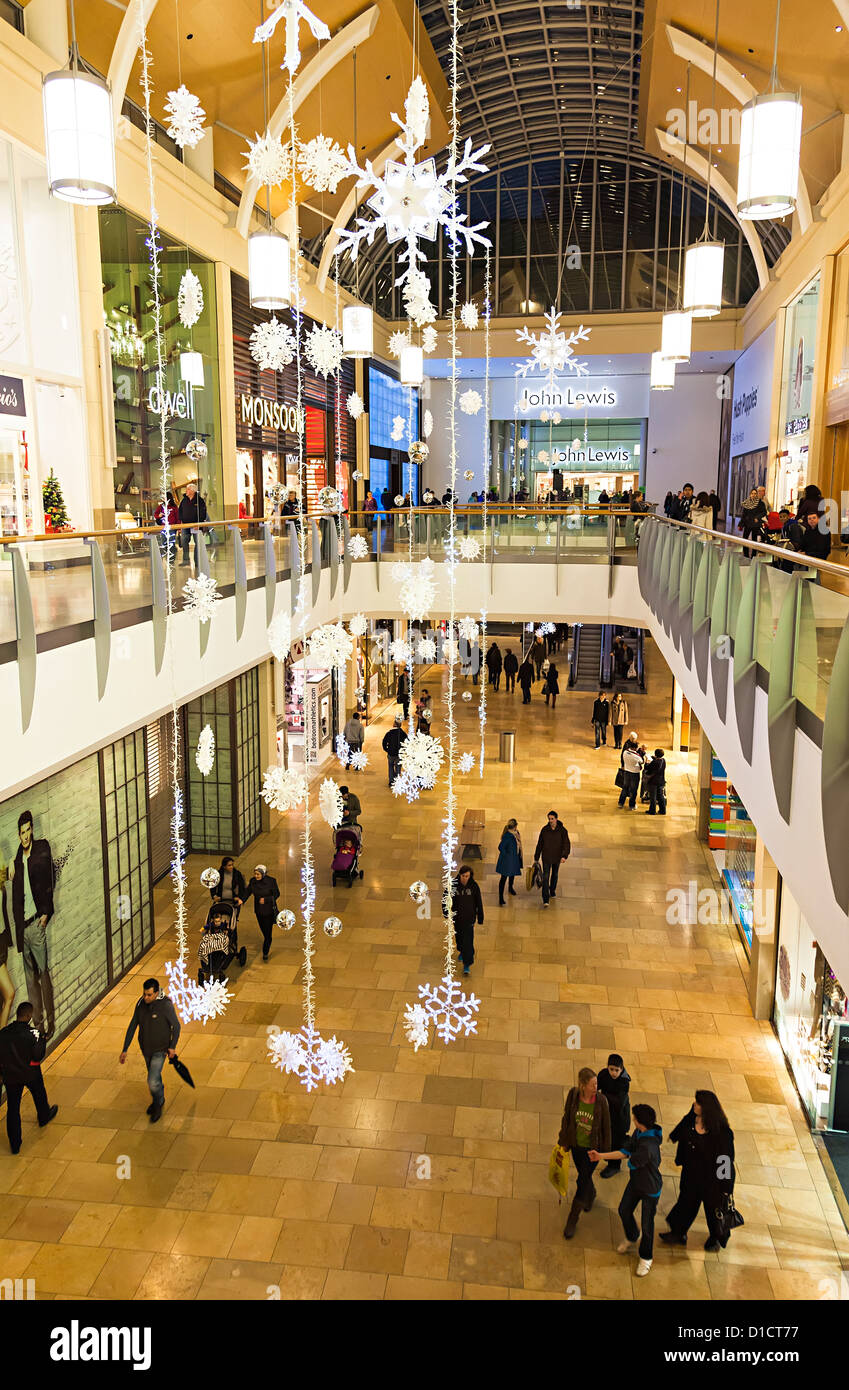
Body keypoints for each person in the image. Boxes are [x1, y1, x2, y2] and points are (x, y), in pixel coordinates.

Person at [591, 1103, 663, 1277]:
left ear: (640, 1122)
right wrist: (601, 1156)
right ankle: (632, 1236)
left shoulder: (648, 1146)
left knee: (647, 1225)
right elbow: (625, 1152)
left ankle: (646, 1258)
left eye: (635, 1119)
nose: (633, 1120)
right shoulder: (640, 1133)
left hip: (650, 1189)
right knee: (624, 1210)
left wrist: (629, 1156)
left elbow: (631, 1160)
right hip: (636, 1182)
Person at [661, 1090, 736, 1251]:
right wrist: (674, 1136)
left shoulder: (722, 1134)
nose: (694, 1104)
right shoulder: (692, 1119)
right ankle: (678, 1233)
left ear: (707, 1108)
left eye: (698, 1103)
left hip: (712, 1183)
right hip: (691, 1176)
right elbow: (683, 1126)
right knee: (686, 1205)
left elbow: (726, 1162)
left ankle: (715, 1238)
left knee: (713, 1212)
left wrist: (726, 1189)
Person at [11, 809, 55, 1040]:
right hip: (24, 929)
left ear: (32, 831)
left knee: (43, 975)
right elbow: (15, 901)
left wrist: (46, 912)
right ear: (18, 835)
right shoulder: (16, 861)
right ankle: (38, 1027)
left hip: (37, 923)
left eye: (28, 830)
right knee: (30, 982)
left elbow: (51, 878)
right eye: (22, 832)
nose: (26, 836)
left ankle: (51, 1022)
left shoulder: (42, 849)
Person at [558, 1067, 611, 1239]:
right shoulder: (573, 1095)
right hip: (576, 1147)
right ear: (583, 1085)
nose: (596, 1087)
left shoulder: (601, 1101)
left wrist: (604, 1153)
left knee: (582, 1181)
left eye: (596, 1083)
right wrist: (563, 1142)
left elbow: (606, 1127)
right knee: (584, 1175)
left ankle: (572, 1220)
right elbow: (567, 1119)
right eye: (593, 1084)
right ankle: (592, 1193)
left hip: (592, 1150)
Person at [119, 977, 181, 1123]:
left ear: (156, 993)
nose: (146, 997)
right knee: (154, 1077)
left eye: (149, 995)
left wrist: (172, 1047)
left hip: (160, 1049)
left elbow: (176, 1026)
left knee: (152, 1080)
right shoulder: (140, 1004)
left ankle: (158, 1105)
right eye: (144, 994)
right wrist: (125, 1048)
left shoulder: (165, 1005)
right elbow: (133, 1025)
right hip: (146, 1048)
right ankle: (158, 1099)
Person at [0, 1001, 58, 1153]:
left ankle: (15, 1145)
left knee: (13, 1108)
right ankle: (44, 1116)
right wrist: (43, 1042)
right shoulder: (34, 1033)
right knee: (39, 1093)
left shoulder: (3, 1033)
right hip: (30, 1073)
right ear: (28, 1016)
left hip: (11, 1076)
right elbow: (38, 1056)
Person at [597, 1054, 631, 1178]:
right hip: (607, 1114)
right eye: (611, 1069)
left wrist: (602, 1098)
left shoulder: (624, 1082)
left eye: (617, 1070)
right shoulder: (603, 1074)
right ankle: (607, 1155)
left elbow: (619, 1103)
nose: (614, 1073)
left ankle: (614, 1165)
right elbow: (596, 1085)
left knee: (616, 1141)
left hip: (619, 1119)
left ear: (621, 1069)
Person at [446, 865, 483, 976]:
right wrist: (446, 913)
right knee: (459, 938)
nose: (465, 878)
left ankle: (467, 963)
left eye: (467, 876)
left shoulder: (474, 887)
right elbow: (446, 899)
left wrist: (480, 917)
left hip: (469, 919)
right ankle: (461, 950)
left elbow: (478, 902)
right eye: (463, 876)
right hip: (457, 919)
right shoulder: (453, 885)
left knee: (468, 941)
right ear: (460, 875)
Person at [533, 810, 571, 908]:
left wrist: (564, 856)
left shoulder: (562, 831)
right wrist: (536, 856)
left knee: (554, 875)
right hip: (546, 858)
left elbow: (566, 844)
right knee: (545, 877)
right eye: (549, 819)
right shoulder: (545, 830)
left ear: (556, 819)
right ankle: (545, 899)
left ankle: (552, 891)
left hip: (557, 858)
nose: (550, 821)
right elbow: (540, 843)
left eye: (552, 819)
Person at [245, 864, 280, 962]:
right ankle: (267, 941)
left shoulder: (271, 881)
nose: (256, 876)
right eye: (255, 874)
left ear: (263, 874)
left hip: (269, 911)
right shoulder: (253, 881)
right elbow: (247, 892)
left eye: (258, 874)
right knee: (264, 930)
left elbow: (277, 894)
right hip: (259, 911)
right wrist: (241, 900)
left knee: (268, 934)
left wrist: (266, 899)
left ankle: (265, 952)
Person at [178, 480, 209, 567]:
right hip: (185, 525)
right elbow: (180, 511)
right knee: (184, 542)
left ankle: (197, 561)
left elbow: (203, 513)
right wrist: (181, 523)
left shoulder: (200, 501)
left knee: (197, 543)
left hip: (196, 525)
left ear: (192, 491)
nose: (186, 491)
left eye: (188, 489)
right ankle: (186, 560)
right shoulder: (184, 500)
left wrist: (198, 524)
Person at [198, 908, 232, 984]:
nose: (217, 923)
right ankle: (205, 954)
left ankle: (221, 951)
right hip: (212, 937)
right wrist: (202, 929)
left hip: (220, 937)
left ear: (221, 920)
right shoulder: (211, 925)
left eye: (218, 921)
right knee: (204, 943)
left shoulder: (223, 924)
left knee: (223, 941)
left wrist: (227, 931)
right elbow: (205, 927)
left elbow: (226, 930)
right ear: (213, 921)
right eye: (216, 921)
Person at [496, 819, 522, 906]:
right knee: (503, 878)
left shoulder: (516, 833)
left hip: (514, 859)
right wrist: (507, 855)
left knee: (512, 874)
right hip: (507, 861)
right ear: (515, 826)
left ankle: (510, 888)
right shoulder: (507, 836)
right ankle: (500, 898)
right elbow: (500, 847)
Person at [738, 486, 767, 557]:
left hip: (755, 524)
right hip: (747, 523)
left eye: (755, 493)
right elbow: (744, 514)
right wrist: (740, 524)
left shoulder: (760, 503)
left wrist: (758, 517)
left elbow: (764, 512)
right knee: (745, 540)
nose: (753, 495)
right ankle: (746, 555)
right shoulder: (747, 503)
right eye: (752, 493)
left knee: (754, 540)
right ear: (750, 494)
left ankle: (753, 555)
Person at [618, 740, 644, 810]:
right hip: (634, 773)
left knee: (625, 788)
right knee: (633, 790)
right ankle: (631, 805)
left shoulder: (625, 752)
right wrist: (642, 753)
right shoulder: (636, 756)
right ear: (635, 748)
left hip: (626, 771)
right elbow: (642, 761)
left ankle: (620, 803)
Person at [382, 716, 407, 787]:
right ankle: (397, 780)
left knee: (390, 766)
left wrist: (386, 749)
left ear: (394, 724)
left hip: (391, 753)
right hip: (399, 753)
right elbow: (407, 742)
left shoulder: (389, 733)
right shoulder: (403, 734)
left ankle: (391, 780)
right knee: (398, 767)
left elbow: (384, 742)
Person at [154, 491, 179, 562]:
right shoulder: (161, 507)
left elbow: (178, 517)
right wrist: (159, 516)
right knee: (164, 542)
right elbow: (156, 514)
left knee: (171, 542)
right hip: (163, 527)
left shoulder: (174, 507)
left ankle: (171, 558)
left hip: (172, 527)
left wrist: (179, 528)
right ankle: (168, 555)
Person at [643, 748, 667, 815]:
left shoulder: (655, 762)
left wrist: (647, 762)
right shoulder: (663, 760)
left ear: (655, 754)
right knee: (660, 796)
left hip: (653, 782)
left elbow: (647, 768)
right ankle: (663, 810)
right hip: (661, 781)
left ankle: (652, 811)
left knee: (653, 797)